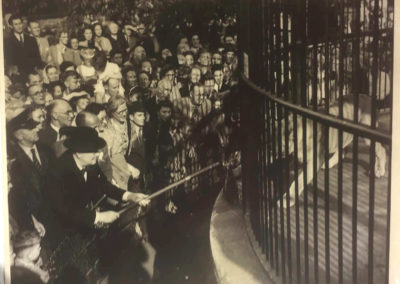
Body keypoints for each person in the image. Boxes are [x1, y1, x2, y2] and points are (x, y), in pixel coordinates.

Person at [42, 126, 150, 246]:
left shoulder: (89, 163)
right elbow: (64, 209)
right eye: (93, 150)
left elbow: (102, 185)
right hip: (62, 234)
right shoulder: (58, 172)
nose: (98, 154)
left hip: (82, 224)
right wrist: (98, 217)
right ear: (78, 152)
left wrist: (130, 196)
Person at [7, 108, 53, 233]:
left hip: (54, 215)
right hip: (32, 223)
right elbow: (16, 197)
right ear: (18, 135)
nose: (37, 128)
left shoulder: (46, 150)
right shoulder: (11, 160)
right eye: (31, 128)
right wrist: (31, 220)